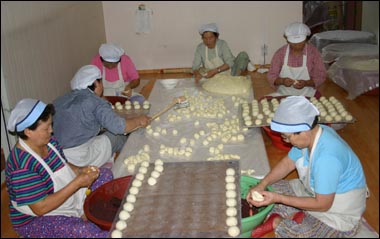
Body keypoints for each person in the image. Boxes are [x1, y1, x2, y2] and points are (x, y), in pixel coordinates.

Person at [246, 96, 368, 238]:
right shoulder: (314, 133)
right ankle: (299, 214)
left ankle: (278, 222)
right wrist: (262, 184)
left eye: (287, 137)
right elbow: (287, 163)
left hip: (337, 209)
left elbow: (323, 205)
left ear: (303, 131)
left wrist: (278, 198)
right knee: (268, 189)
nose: (287, 142)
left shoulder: (327, 158)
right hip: (311, 190)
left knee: (303, 234)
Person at [6, 98, 113, 238]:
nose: (51, 130)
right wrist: (77, 183)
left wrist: (81, 170)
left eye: (51, 125)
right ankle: (84, 219)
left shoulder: (49, 142)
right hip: (37, 218)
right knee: (86, 232)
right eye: (46, 128)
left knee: (104, 174)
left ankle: (84, 214)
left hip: (64, 199)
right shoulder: (22, 167)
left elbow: (63, 165)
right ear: (28, 132)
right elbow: (40, 208)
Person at [53, 65, 151, 167]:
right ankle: (133, 159)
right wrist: (138, 120)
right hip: (80, 158)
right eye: (101, 82)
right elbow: (120, 127)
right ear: (96, 83)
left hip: (58, 156)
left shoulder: (61, 100)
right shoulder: (94, 102)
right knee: (117, 137)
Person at [267, 22, 326, 97]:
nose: (297, 46)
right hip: (284, 94)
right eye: (294, 44)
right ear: (287, 40)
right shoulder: (280, 53)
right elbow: (272, 76)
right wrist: (282, 81)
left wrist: (306, 83)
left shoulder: (313, 53)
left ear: (306, 39)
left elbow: (320, 76)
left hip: (308, 94)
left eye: (301, 43)